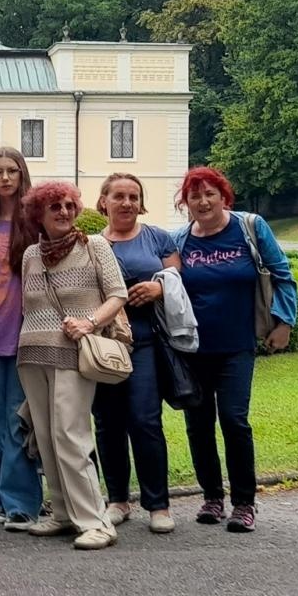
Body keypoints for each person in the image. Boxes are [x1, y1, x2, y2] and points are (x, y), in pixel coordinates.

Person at [171, 166, 298, 533]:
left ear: (224, 195)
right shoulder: (180, 240)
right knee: (197, 424)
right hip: (191, 349)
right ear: (186, 203)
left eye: (210, 193)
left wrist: (284, 322)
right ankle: (212, 497)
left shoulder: (250, 227)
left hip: (236, 346)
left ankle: (244, 503)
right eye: (195, 195)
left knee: (233, 419)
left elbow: (282, 274)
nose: (203, 201)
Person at [17, 181, 129, 551]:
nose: (64, 212)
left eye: (68, 205)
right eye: (55, 207)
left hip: (73, 354)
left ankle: (96, 521)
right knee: (46, 438)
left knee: (70, 435)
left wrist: (90, 323)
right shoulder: (31, 254)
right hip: (33, 354)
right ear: (39, 214)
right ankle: (63, 512)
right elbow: (28, 306)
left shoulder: (94, 246)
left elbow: (118, 294)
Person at [95, 173, 179, 534]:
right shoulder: (90, 243)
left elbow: (177, 272)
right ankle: (117, 500)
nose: (127, 203)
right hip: (105, 346)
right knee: (108, 423)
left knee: (145, 421)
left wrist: (158, 287)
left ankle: (157, 504)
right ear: (104, 202)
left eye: (133, 196)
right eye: (119, 196)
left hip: (145, 342)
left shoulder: (156, 237)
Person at [0, 147, 44, 532]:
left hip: (25, 336)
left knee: (19, 419)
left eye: (11, 171)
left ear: (21, 175)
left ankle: (23, 503)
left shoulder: (34, 223)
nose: (4, 178)